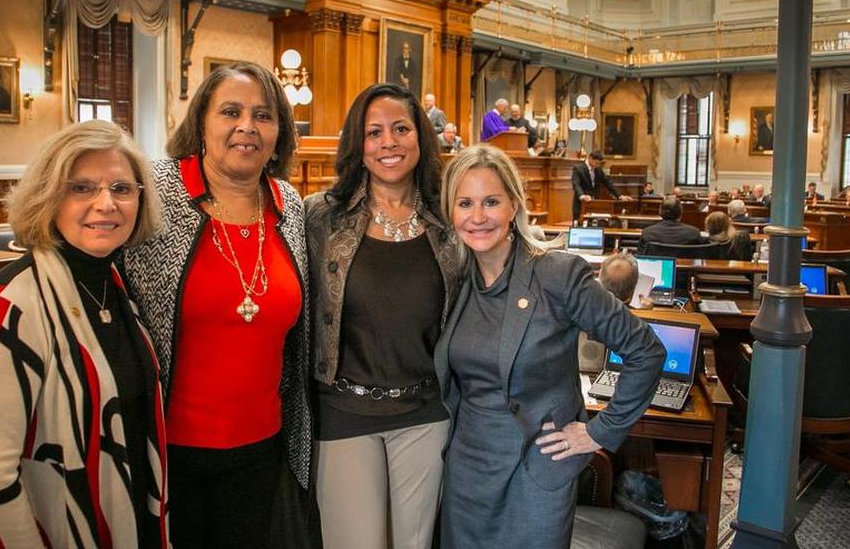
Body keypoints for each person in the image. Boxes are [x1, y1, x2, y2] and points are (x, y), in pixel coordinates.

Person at [0, 121, 167, 547]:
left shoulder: (117, 288)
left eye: (121, 188)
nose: (106, 204)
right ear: (48, 196)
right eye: (81, 188)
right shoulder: (7, 305)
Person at [436, 145, 664, 549]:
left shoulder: (557, 274)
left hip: (536, 471)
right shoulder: (453, 280)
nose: (477, 217)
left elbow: (645, 350)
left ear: (514, 205)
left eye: (491, 201)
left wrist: (600, 431)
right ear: (450, 212)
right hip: (467, 475)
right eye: (465, 203)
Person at [122, 63, 312, 547]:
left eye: (263, 116)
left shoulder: (289, 204)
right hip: (166, 449)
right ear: (202, 122)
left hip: (262, 446)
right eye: (231, 111)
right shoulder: (153, 192)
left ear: (279, 133)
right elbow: (81, 266)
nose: (247, 126)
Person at [306, 83, 462, 549]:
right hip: (344, 410)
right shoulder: (321, 218)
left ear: (420, 138)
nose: (388, 142)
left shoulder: (450, 220)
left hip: (425, 411)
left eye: (400, 129)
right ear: (358, 143)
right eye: (374, 132)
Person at [570, 151, 633, 222]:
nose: (597, 165)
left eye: (599, 164)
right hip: (581, 204)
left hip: (595, 203)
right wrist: (582, 196)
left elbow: (608, 183)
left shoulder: (598, 169)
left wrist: (619, 196)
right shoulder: (578, 168)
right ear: (590, 158)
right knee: (578, 226)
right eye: (596, 163)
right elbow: (576, 184)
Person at [639, 196, 705, 252]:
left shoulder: (647, 233)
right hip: (683, 267)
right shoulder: (694, 233)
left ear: (660, 212)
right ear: (681, 213)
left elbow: (641, 257)